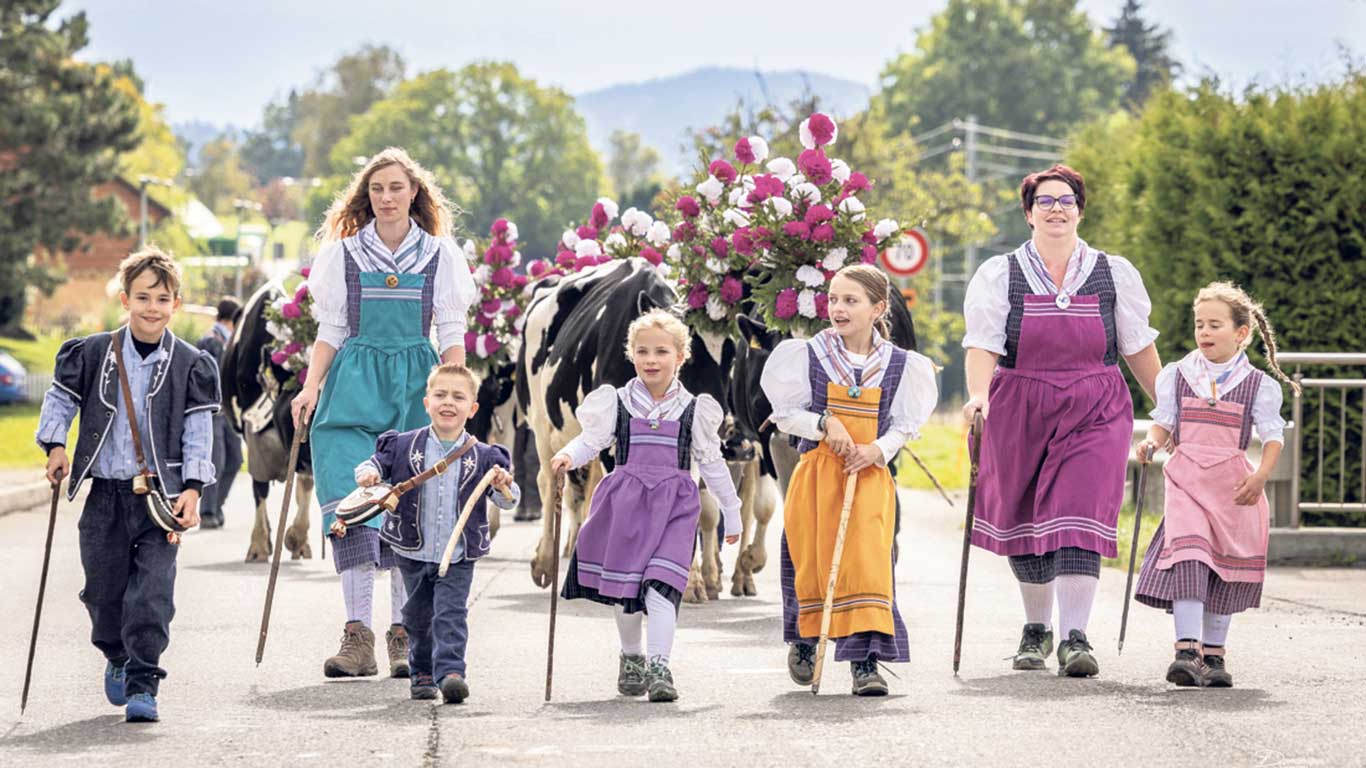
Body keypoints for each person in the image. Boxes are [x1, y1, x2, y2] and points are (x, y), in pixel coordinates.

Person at [961, 163, 1162, 677]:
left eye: (1067, 200)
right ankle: (1036, 628)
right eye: (1045, 201)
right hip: (1019, 401)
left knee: (1079, 512)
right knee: (1025, 518)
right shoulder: (999, 273)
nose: (1057, 208)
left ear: (1080, 209)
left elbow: (1137, 347)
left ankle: (1075, 635)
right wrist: (979, 396)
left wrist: (1168, 408)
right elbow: (983, 343)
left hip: (1095, 403)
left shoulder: (1113, 272)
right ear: (1028, 214)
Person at [291, 147, 476, 680]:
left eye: (396, 188)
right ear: (365, 196)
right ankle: (357, 637)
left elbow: (450, 334)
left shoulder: (440, 255)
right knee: (350, 510)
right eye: (377, 189)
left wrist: (455, 393)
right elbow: (332, 330)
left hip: (415, 388)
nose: (387, 198)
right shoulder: (344, 253)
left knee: (404, 509)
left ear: (413, 192)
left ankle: (402, 634)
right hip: (352, 388)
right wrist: (310, 387)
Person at [36, 247, 219, 722]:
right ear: (125, 299)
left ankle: (143, 681)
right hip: (104, 496)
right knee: (103, 590)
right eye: (143, 297)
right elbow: (60, 402)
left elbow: (199, 430)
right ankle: (115, 654)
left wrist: (194, 488)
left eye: (162, 298)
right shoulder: (92, 352)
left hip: (161, 500)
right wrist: (56, 446)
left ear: (176, 304)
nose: (152, 307)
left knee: (152, 592)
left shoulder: (191, 364)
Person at [762, 264, 938, 696]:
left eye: (850, 300)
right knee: (810, 560)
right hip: (819, 474)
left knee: (869, 564)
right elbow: (784, 413)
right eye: (834, 299)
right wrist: (825, 424)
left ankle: (865, 661)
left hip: (869, 476)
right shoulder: (808, 354)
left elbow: (904, 425)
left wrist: (878, 449)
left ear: (878, 308)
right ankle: (806, 640)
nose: (838, 308)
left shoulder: (901, 365)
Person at [550, 309, 741, 703]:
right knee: (627, 591)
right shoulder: (617, 403)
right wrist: (568, 454)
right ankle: (632, 656)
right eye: (642, 351)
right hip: (625, 505)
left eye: (661, 351)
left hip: (675, 507)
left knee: (662, 585)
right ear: (631, 355)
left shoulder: (694, 410)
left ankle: (659, 665)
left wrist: (732, 510)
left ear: (680, 356)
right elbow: (592, 441)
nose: (651, 360)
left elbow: (712, 464)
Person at [1134, 282, 1299, 688]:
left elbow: (1273, 436)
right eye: (1199, 324)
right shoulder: (1178, 374)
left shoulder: (1259, 384)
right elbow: (1165, 421)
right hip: (1187, 481)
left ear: (1241, 333)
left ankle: (1214, 654)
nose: (1204, 332)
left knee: (1224, 566)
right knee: (1190, 557)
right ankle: (1186, 651)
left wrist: (1260, 476)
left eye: (1215, 325)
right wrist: (1153, 442)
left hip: (1231, 488)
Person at [356, 363, 520, 704]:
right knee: (416, 617)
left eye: (459, 396)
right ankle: (422, 672)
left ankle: (451, 673)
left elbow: (507, 500)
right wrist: (369, 474)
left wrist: (505, 486)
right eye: (440, 394)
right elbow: (375, 464)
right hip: (413, 549)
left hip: (458, 553)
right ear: (426, 402)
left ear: (472, 408)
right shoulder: (403, 445)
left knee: (450, 613)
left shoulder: (486, 456)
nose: (449, 402)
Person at [196, 296, 243, 529]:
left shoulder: (229, 343)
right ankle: (207, 512)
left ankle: (217, 505)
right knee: (216, 461)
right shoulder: (209, 342)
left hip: (229, 411)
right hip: (212, 412)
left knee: (235, 459)